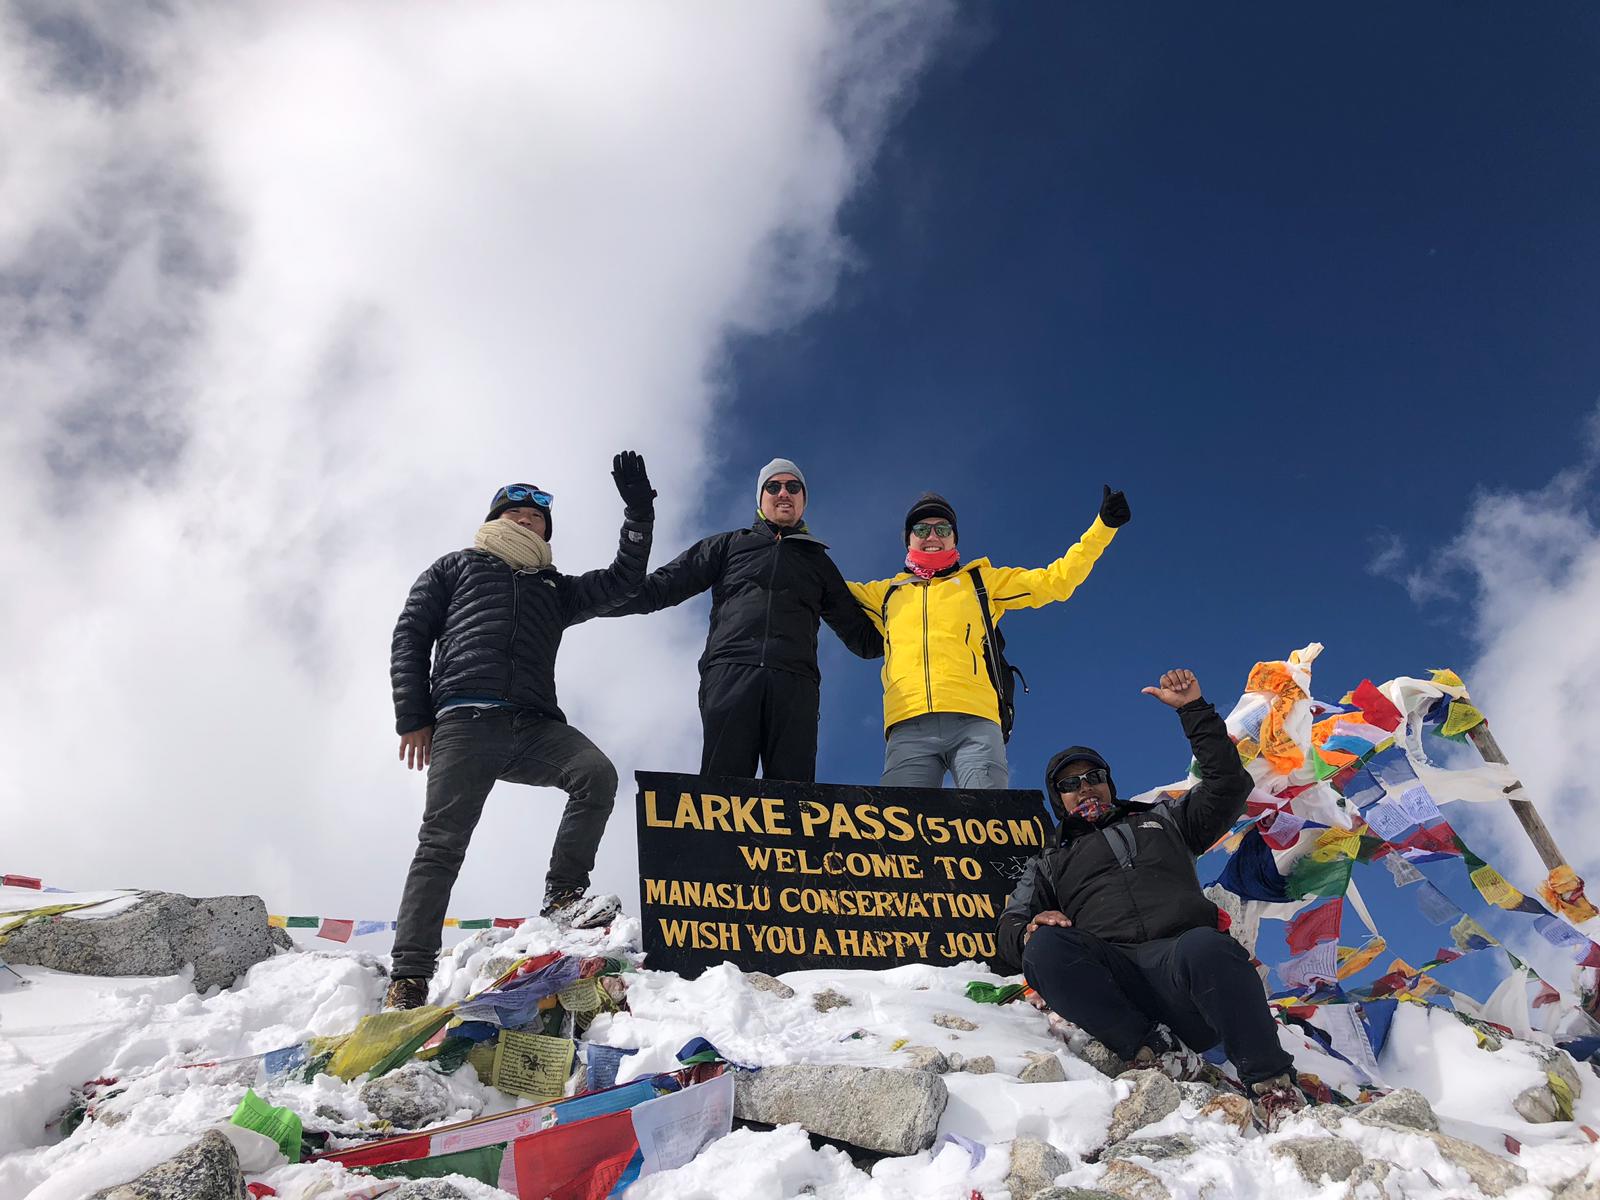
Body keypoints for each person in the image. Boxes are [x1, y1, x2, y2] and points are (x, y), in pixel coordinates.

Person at [384, 452, 657, 1010]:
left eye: (537, 517)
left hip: (533, 725)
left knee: (595, 775)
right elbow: (410, 634)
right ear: (495, 518)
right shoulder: (455, 567)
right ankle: (409, 975)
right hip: (464, 721)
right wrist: (413, 717)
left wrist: (638, 513)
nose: (526, 519)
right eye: (515, 511)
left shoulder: (553, 589)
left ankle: (563, 896)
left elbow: (624, 582)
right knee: (441, 844)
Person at [995, 668, 1308, 1125]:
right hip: (1114, 980)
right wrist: (1026, 931)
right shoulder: (1048, 862)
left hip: (1184, 968)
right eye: (1069, 784)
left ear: (1109, 782)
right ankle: (1154, 1050)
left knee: (1207, 946)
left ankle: (1273, 1087)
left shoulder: (1165, 821)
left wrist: (1192, 711)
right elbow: (1009, 928)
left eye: (1093, 776)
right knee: (1044, 949)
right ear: (1057, 799)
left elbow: (1228, 786)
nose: (1084, 787)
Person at [612, 458, 881, 782]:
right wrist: (635, 524)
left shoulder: (818, 564)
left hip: (794, 684)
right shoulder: (728, 545)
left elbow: (864, 640)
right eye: (774, 486)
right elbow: (657, 590)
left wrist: (919, 614)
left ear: (803, 500)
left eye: (793, 487)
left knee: (793, 802)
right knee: (722, 793)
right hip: (731, 672)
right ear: (761, 497)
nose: (784, 493)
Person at [847, 486, 1128, 788]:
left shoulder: (981, 581)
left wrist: (1103, 528)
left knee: (990, 825)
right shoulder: (885, 594)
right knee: (902, 827)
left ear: (954, 538)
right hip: (908, 725)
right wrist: (791, 541)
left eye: (942, 528)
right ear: (908, 538)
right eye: (921, 528)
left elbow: (1054, 581)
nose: (932, 536)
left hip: (975, 724)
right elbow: (820, 582)